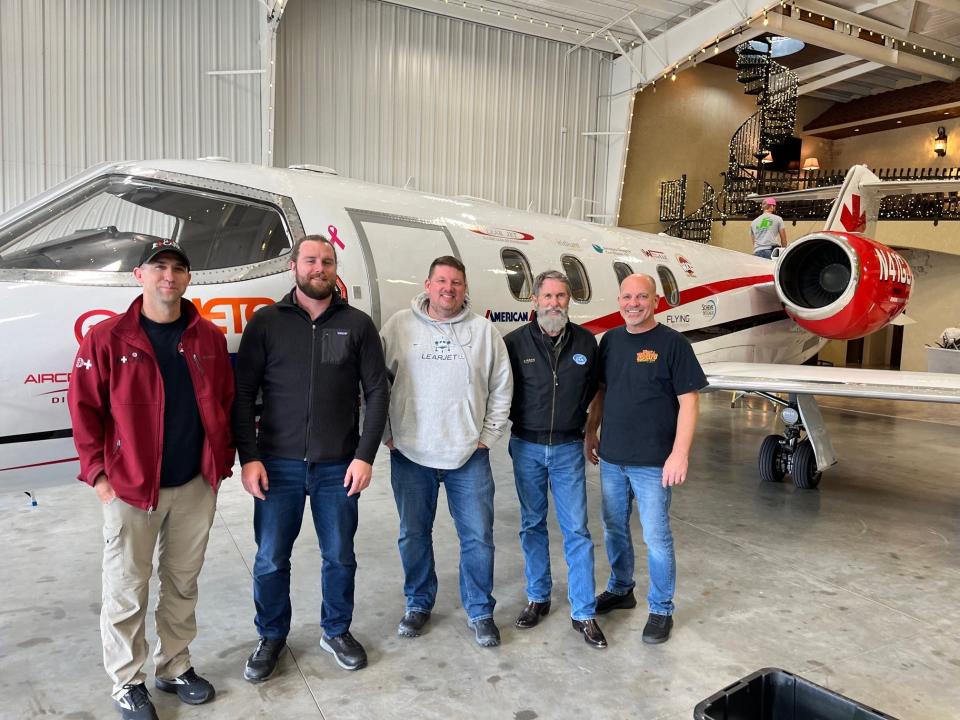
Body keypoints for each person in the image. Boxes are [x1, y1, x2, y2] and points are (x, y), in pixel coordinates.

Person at [69, 240, 235, 720]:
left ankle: (174, 665)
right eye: (159, 268)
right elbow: (84, 413)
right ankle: (126, 680)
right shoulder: (106, 338)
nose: (169, 277)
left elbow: (221, 402)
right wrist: (100, 477)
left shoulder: (206, 336)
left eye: (178, 269)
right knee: (127, 587)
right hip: (130, 489)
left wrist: (216, 468)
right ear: (139, 275)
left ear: (188, 279)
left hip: (193, 486)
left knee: (182, 583)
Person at [233, 235, 389, 682]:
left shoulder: (357, 325)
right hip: (276, 464)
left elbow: (377, 392)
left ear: (335, 269)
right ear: (294, 266)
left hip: (338, 465)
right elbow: (243, 394)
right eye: (310, 261)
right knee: (270, 558)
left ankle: (336, 630)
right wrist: (249, 456)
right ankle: (271, 636)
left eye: (326, 261)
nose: (318, 268)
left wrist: (364, 456)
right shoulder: (266, 323)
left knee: (339, 555)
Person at [380, 255, 512, 647]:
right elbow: (372, 385)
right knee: (413, 535)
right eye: (441, 281)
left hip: (468, 456)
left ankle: (480, 610)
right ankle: (418, 603)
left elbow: (502, 388)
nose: (448, 289)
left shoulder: (484, 333)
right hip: (410, 454)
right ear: (427, 284)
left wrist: (488, 435)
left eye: (456, 283)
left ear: (465, 288)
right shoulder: (399, 327)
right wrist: (386, 432)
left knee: (478, 537)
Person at [584, 273, 706, 645]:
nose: (633, 303)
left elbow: (689, 401)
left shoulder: (673, 344)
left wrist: (679, 454)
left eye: (641, 297)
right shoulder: (611, 342)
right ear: (618, 300)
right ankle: (622, 588)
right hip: (613, 458)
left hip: (654, 462)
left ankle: (661, 608)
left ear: (656, 301)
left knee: (656, 537)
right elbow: (603, 391)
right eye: (626, 297)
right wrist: (592, 430)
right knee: (614, 528)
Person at [503, 270, 606, 649]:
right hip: (526, 447)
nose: (554, 303)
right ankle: (538, 597)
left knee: (576, 530)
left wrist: (592, 430)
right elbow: (500, 390)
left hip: (567, 450)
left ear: (569, 300)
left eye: (561, 296)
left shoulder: (586, 342)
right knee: (532, 524)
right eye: (547, 296)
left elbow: (599, 388)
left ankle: (583, 612)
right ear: (534, 300)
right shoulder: (514, 342)